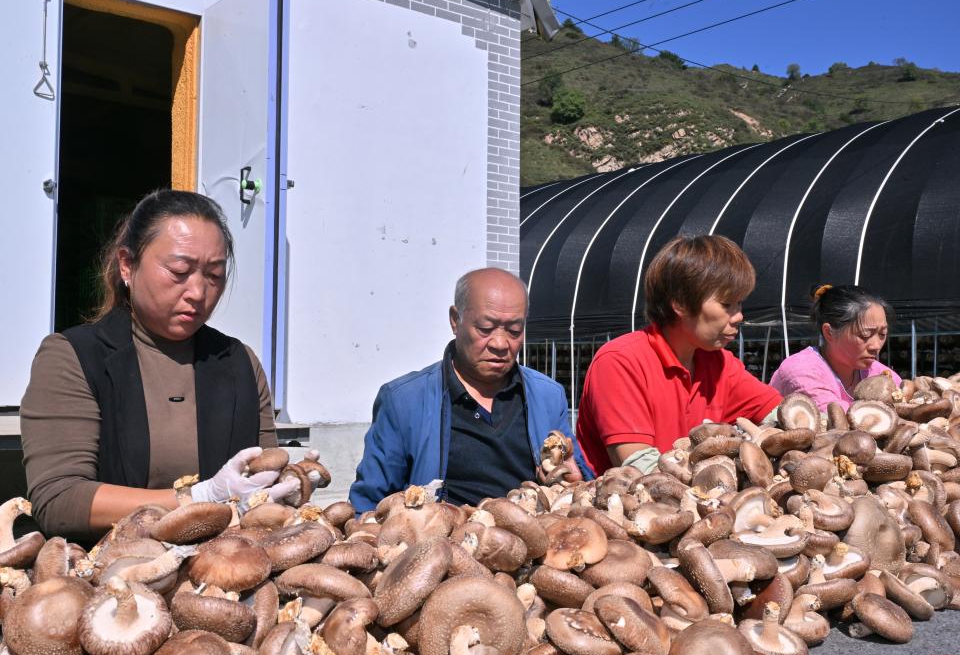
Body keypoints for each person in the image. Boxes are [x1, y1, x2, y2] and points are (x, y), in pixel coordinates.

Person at [21, 190, 307, 541]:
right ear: (127, 264)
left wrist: (290, 482)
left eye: (214, 275)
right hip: (114, 565)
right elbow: (59, 500)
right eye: (179, 271)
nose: (198, 292)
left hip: (223, 563)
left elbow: (261, 474)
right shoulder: (73, 357)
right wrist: (198, 499)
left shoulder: (239, 363)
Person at [349, 268, 593, 512]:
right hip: (441, 534)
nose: (500, 343)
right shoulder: (404, 401)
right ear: (455, 320)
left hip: (534, 531)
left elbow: (580, 482)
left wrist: (574, 479)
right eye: (485, 328)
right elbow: (368, 505)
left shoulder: (547, 396)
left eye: (514, 330)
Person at [575, 235, 782, 475]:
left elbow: (782, 414)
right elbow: (639, 467)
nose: (739, 316)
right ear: (681, 304)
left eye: (739, 303)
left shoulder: (720, 364)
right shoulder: (620, 362)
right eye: (727, 304)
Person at [769, 284, 900, 412]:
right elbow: (838, 419)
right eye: (864, 335)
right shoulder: (801, 371)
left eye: (882, 334)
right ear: (829, 332)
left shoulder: (878, 373)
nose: (876, 346)